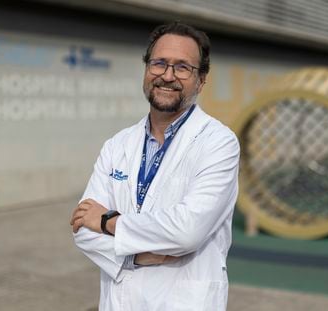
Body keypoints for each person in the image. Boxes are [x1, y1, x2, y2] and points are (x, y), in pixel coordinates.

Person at [70, 21, 240, 311]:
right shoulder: (117, 145)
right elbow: (82, 230)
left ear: (201, 80)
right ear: (147, 68)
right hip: (120, 300)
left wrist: (107, 221)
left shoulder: (219, 143)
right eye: (159, 63)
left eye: (183, 67)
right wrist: (136, 256)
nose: (167, 75)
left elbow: (187, 230)